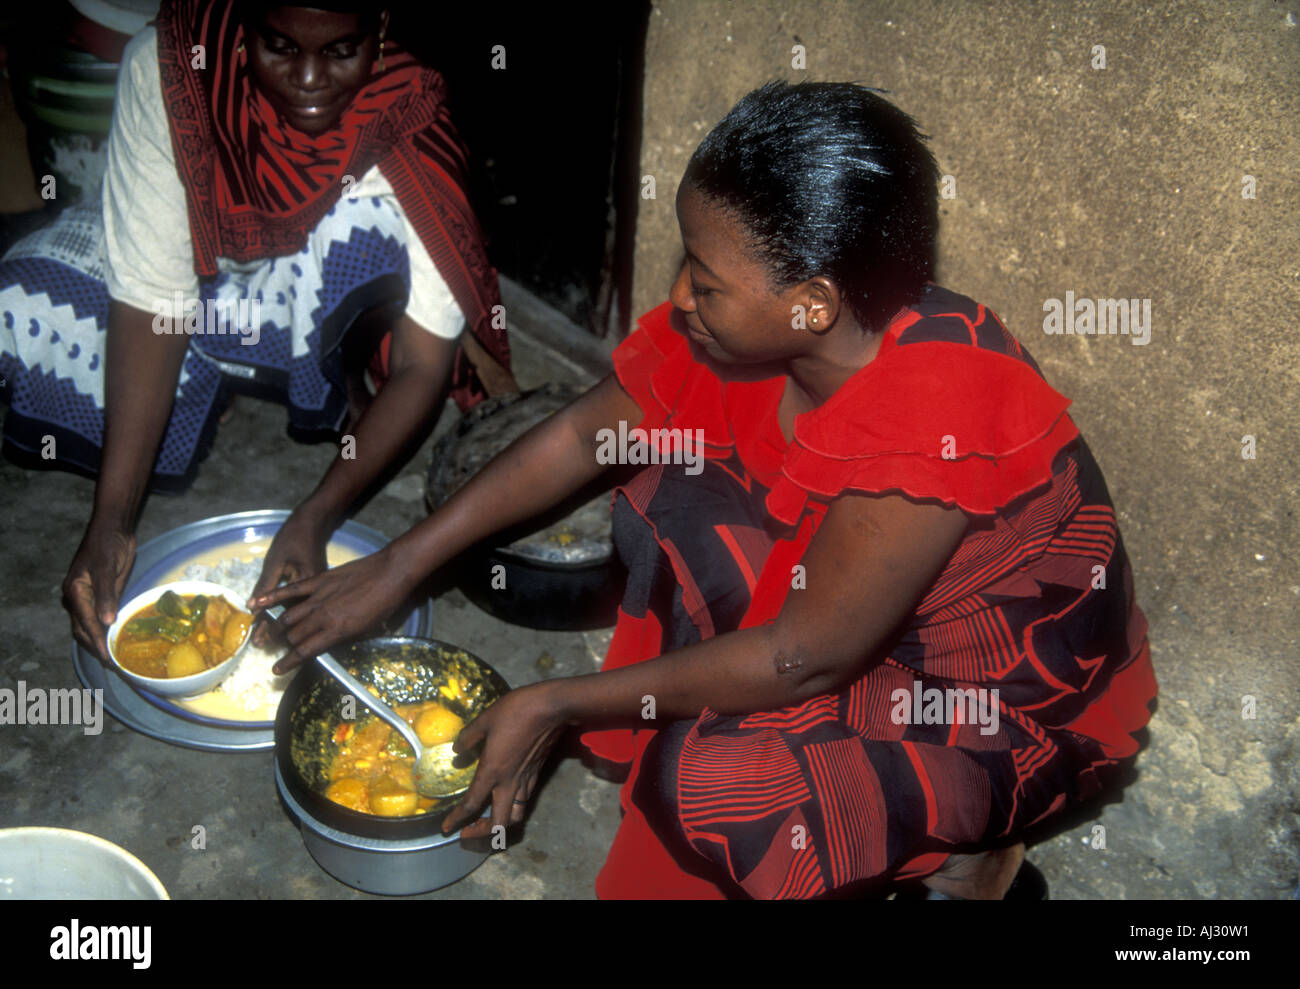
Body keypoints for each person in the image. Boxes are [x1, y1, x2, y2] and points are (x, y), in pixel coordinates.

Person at [255, 81, 1157, 899]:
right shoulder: (767, 341)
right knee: (668, 486)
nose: (680, 294)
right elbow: (583, 432)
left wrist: (557, 700)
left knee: (721, 787)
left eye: (707, 278)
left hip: (987, 703)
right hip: (845, 622)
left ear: (812, 302)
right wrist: (400, 565)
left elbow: (802, 657)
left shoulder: (935, 408)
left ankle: (973, 852)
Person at [0, 0, 516, 661]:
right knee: (26, 294)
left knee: (369, 235)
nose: (308, 81)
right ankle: (214, 378)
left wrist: (316, 515)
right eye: (278, 47)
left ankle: (336, 384)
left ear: (380, 29)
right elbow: (155, 300)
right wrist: (113, 521)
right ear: (241, 27)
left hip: (296, 285)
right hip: (193, 271)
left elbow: (422, 361)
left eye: (339, 52)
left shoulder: (408, 107)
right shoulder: (176, 69)